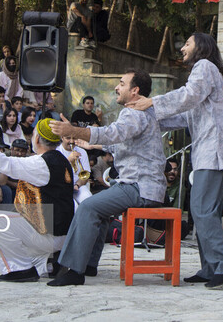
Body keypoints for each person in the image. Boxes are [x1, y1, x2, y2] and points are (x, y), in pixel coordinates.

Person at [126, 33, 223, 289]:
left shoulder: (204, 67)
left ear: (202, 47)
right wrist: (149, 118)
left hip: (213, 153)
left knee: (201, 210)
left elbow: (187, 96)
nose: (183, 48)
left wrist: (152, 101)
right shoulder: (205, 74)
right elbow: (186, 115)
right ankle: (210, 268)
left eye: (187, 43)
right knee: (199, 212)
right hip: (206, 154)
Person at [47, 68, 166, 286]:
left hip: (138, 186)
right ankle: (89, 265)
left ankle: (74, 270)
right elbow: (120, 141)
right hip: (145, 186)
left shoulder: (133, 113)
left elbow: (113, 132)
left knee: (87, 207)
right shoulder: (145, 113)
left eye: (121, 83)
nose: (116, 87)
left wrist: (74, 130)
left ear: (135, 90)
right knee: (99, 211)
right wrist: (91, 143)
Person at [0, 110, 75, 282]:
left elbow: (3, 162)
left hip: (51, 236)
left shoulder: (41, 163)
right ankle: (50, 264)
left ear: (36, 139)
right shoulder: (61, 159)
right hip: (62, 234)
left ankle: (19, 270)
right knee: (22, 230)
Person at [57, 134, 92, 208]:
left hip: (78, 186)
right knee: (73, 207)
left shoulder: (82, 152)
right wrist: (68, 161)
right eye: (68, 138)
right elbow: (56, 173)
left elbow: (86, 174)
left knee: (89, 201)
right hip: (62, 188)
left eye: (74, 138)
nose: (72, 141)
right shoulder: (56, 152)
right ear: (62, 137)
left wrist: (77, 185)